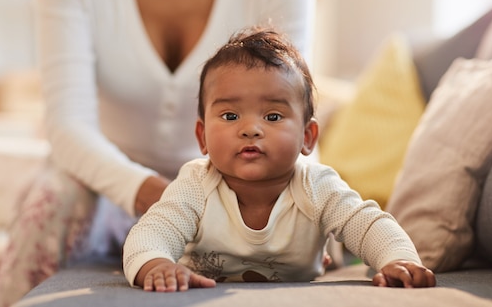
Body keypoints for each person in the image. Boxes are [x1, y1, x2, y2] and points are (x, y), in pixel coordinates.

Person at [0, 0, 316, 306]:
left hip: (231, 179)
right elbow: (67, 124)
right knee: (50, 203)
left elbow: (291, 107)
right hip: (103, 178)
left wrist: (301, 212)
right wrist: (168, 200)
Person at [123, 27, 436, 291]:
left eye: (272, 116)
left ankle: (333, 253)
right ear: (202, 137)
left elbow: (368, 225)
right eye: (230, 115)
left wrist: (397, 259)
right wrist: (157, 264)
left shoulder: (316, 186)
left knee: (342, 233)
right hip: (207, 282)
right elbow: (152, 231)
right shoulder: (195, 184)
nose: (250, 129)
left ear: (307, 137)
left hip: (308, 256)